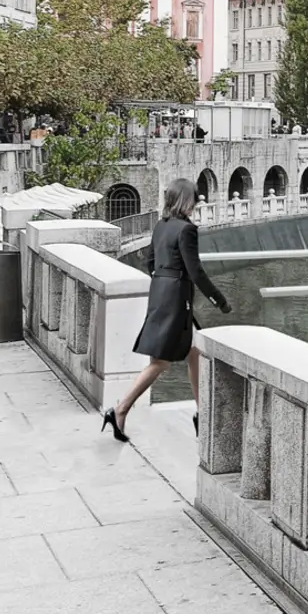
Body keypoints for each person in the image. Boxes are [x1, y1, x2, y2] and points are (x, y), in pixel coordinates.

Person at [105, 177, 231, 441]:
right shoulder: (187, 230)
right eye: (195, 199)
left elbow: (149, 261)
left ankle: (201, 412)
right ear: (188, 200)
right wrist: (219, 300)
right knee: (160, 361)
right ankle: (120, 409)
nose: (196, 204)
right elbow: (195, 271)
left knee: (194, 351)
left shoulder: (161, 226)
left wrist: (165, 279)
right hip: (176, 298)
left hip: (161, 292)